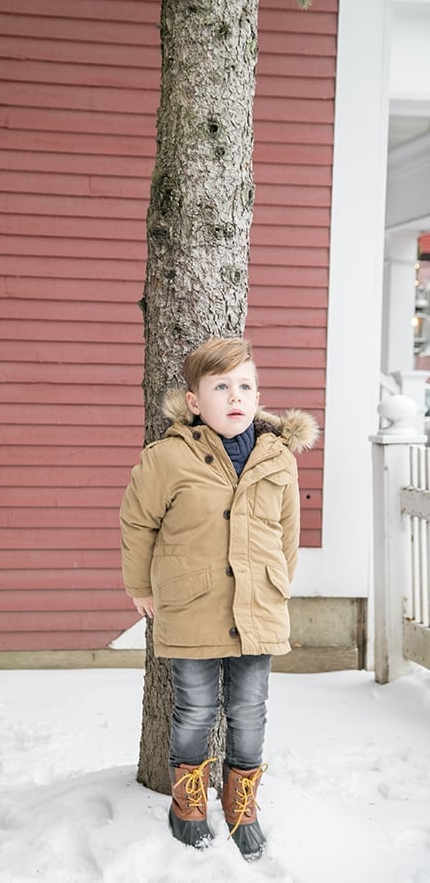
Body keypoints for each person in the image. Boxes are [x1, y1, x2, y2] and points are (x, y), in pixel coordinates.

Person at [119, 338, 318, 860]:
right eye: (221, 386)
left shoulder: (277, 459)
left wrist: (274, 586)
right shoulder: (168, 458)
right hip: (192, 607)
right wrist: (138, 586)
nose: (236, 395)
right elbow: (138, 523)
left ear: (258, 398)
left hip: (258, 608)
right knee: (196, 709)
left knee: (250, 710)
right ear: (194, 402)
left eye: (245, 386)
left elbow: (287, 535)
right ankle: (187, 802)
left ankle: (241, 800)